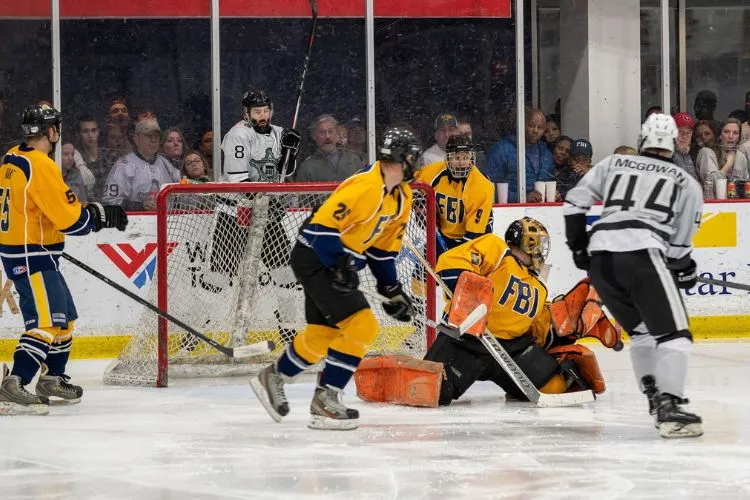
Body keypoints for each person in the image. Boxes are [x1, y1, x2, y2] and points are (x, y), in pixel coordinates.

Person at [250, 127, 422, 431]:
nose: (416, 164)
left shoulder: (402, 197)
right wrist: (338, 264)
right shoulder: (365, 186)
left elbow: (382, 252)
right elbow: (320, 228)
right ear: (398, 158)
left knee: (321, 337)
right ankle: (326, 398)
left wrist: (392, 289)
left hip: (332, 262)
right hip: (315, 256)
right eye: (411, 157)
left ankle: (273, 376)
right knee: (363, 325)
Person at [355, 220, 609, 408]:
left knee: (555, 386)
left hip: (512, 349)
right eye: (538, 243)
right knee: (432, 391)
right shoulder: (497, 250)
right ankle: (382, 371)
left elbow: (535, 326)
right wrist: (470, 295)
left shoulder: (539, 283)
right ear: (525, 242)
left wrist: (558, 332)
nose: (541, 250)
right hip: (468, 342)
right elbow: (452, 262)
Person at [563, 113, 704, 439]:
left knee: (641, 332)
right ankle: (670, 406)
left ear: (642, 140)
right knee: (675, 337)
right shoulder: (686, 183)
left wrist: (579, 249)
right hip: (642, 254)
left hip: (602, 261)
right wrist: (686, 270)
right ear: (672, 145)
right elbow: (679, 250)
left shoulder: (615, 163)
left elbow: (573, 202)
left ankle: (655, 397)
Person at [0, 104, 128, 415]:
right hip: (33, 256)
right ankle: (14, 384)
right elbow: (72, 222)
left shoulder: (13, 157)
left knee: (64, 319)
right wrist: (100, 217)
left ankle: (52, 379)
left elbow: (37, 208)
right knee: (45, 322)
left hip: (30, 251)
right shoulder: (41, 166)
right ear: (52, 132)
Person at [414, 135, 494, 259]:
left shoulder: (482, 186)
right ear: (448, 158)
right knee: (421, 275)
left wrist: (454, 259)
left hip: (476, 239)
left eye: (465, 157)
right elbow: (411, 185)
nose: (461, 162)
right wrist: (420, 205)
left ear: (471, 159)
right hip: (443, 236)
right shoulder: (433, 172)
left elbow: (474, 235)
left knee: (459, 275)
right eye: (456, 157)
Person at [220, 89, 300, 183]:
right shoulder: (238, 135)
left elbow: (285, 172)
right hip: (236, 197)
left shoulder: (280, 133)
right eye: (257, 112)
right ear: (247, 113)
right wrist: (259, 197)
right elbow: (238, 179)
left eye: (266, 111)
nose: (263, 116)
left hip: (266, 195)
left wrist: (290, 154)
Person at [102, 119, 181, 210]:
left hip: (168, 221)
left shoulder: (168, 164)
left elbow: (182, 197)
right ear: (136, 139)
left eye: (156, 136)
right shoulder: (123, 165)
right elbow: (109, 202)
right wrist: (139, 206)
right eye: (149, 135)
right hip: (134, 222)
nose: (153, 140)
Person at [485, 107, 555, 203]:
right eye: (531, 125)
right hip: (507, 212)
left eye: (540, 128)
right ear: (522, 124)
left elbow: (549, 181)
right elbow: (488, 186)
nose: (535, 130)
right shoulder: (502, 149)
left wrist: (552, 194)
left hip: (541, 212)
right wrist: (521, 197)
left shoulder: (546, 153)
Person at [296, 114, 365, 182]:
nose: (327, 136)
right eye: (322, 132)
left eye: (330, 131)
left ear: (336, 133)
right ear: (314, 136)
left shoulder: (354, 160)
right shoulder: (307, 167)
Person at [695, 118, 748, 198]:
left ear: (739, 137)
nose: (731, 136)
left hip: (737, 206)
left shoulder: (741, 157)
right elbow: (711, 185)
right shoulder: (707, 152)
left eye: (735, 133)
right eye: (726, 132)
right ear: (720, 135)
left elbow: (746, 187)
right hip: (712, 207)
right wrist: (728, 164)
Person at [672, 112, 699, 181]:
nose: (684, 136)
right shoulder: (669, 155)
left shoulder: (686, 154)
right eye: (680, 131)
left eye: (688, 132)